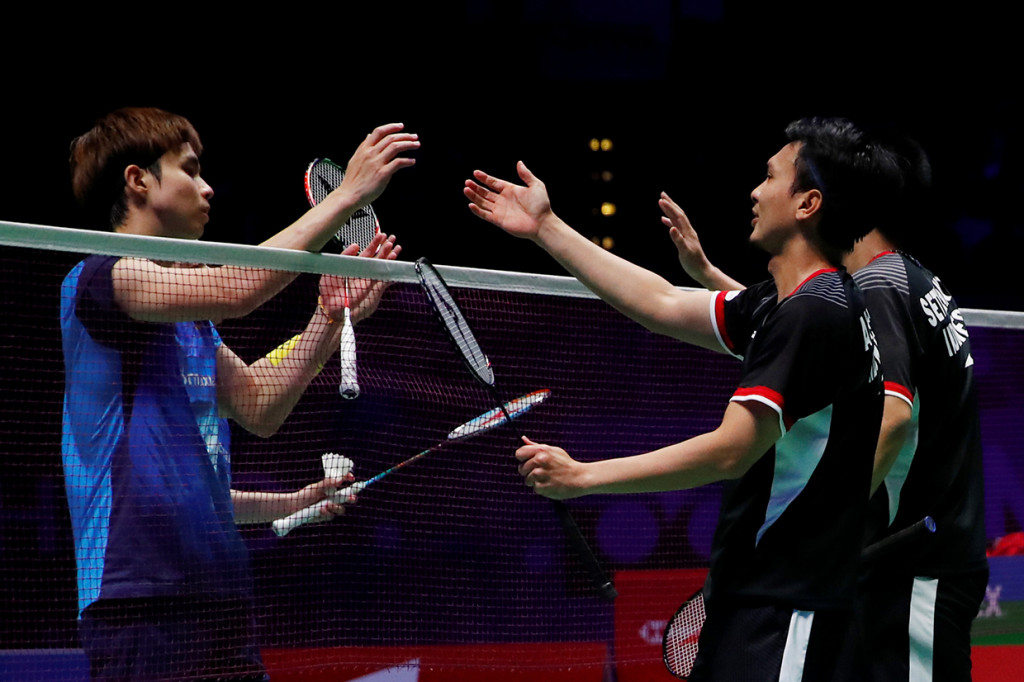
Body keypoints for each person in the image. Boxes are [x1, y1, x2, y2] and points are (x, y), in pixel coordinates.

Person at [464, 117, 895, 680]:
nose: (755, 191)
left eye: (770, 177)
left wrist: (583, 477)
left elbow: (730, 451)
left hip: (790, 608)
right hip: (764, 597)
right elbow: (663, 302)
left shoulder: (815, 313)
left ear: (807, 204)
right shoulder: (791, 304)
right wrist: (546, 227)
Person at [61, 107, 418, 681]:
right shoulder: (103, 280)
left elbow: (257, 405)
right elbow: (242, 289)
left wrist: (327, 320)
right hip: (139, 599)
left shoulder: (191, 324)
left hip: (221, 595)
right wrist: (344, 199)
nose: (207, 188)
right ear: (138, 180)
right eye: (191, 170)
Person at [666, 130, 987, 681]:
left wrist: (823, 529)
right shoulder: (911, 278)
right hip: (934, 548)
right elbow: (804, 327)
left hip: (916, 564)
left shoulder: (879, 286)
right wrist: (711, 278)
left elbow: (894, 413)